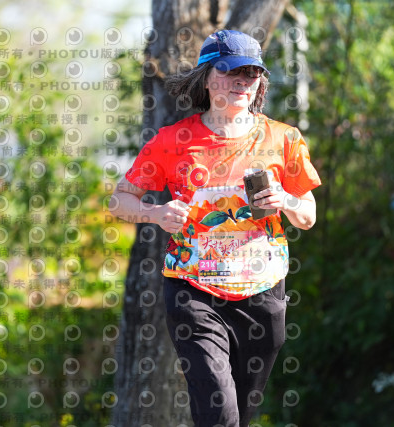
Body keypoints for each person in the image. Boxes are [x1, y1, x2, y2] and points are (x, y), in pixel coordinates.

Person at [110, 29, 321, 427]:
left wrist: (286, 201)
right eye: (231, 71)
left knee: (240, 412)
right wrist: (155, 213)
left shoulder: (283, 138)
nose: (243, 81)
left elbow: (307, 215)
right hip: (194, 292)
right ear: (206, 77)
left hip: (263, 292)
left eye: (252, 73)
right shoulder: (173, 140)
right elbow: (119, 201)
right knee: (220, 412)